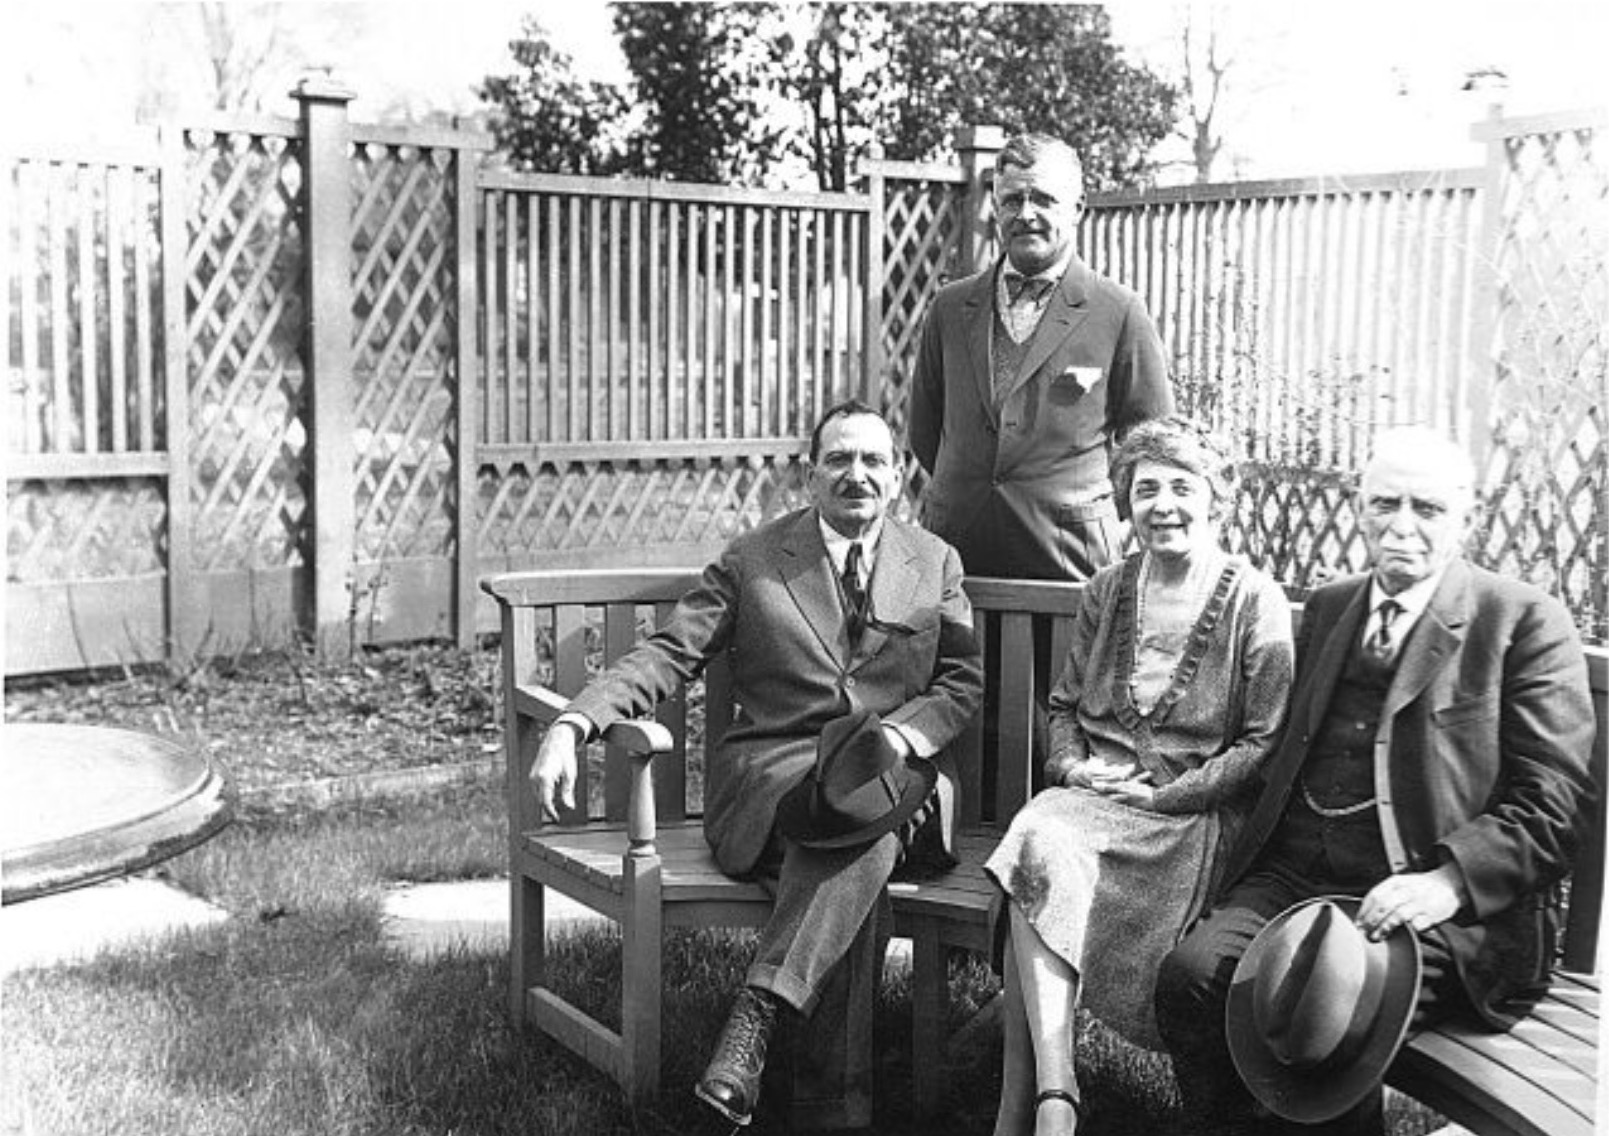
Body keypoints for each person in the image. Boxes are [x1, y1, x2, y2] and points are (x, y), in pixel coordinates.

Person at [528, 399, 984, 1134]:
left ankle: (754, 1025)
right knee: (859, 852)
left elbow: (960, 683)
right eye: (838, 459)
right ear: (810, 476)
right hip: (775, 776)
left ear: (897, 478)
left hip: (888, 767)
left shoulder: (934, 562)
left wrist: (900, 738)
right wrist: (575, 721)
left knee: (863, 815)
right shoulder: (753, 559)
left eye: (873, 461)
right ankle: (827, 1109)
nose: (856, 475)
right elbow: (671, 652)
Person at [1153, 426, 1597, 1136]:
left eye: (1426, 509)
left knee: (1330, 1002)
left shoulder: (1519, 620)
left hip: (1441, 903)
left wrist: (1444, 883)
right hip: (1294, 872)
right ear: (1357, 507)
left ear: (1464, 520)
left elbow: (1553, 804)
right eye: (1383, 504)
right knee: (1192, 979)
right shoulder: (1331, 605)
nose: (1401, 527)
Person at [982, 417, 1295, 1136]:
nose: (1163, 505)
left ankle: (1030, 1107)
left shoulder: (1255, 602)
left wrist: (1161, 794)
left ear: (1216, 499)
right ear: (1125, 503)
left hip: (1190, 820)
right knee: (1040, 835)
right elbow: (1062, 707)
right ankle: (1054, 1095)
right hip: (1093, 805)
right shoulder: (1106, 591)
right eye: (1144, 489)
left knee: (1037, 845)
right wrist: (1072, 767)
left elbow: (1260, 744)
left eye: (1181, 488)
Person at [909, 131, 1173, 583]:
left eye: (1044, 200)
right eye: (1012, 200)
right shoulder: (950, 308)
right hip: (957, 556)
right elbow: (925, 432)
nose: (1025, 214)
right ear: (995, 208)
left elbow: (1152, 444)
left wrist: (1086, 511)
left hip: (1070, 562)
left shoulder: (1118, 310)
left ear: (1077, 208)